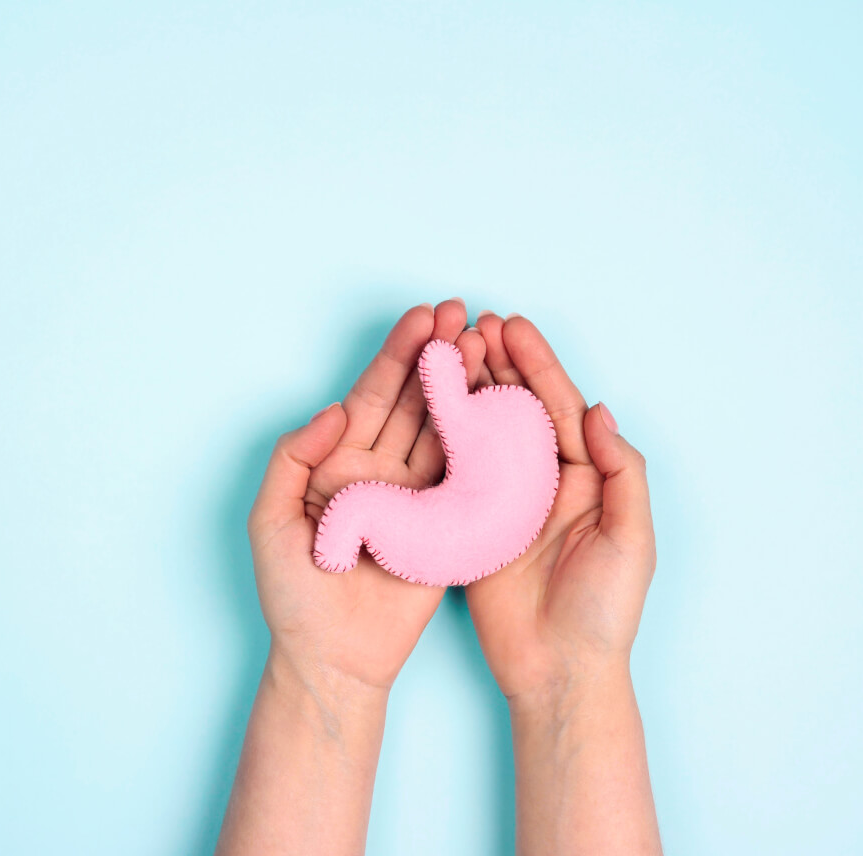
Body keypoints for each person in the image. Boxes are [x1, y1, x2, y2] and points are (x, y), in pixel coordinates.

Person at [215, 300, 661, 856]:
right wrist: (572, 685)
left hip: (434, 510)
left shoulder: (490, 431)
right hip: (439, 507)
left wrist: (570, 677)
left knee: (364, 512)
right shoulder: (500, 428)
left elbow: (454, 413)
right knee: (365, 512)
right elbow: (454, 414)